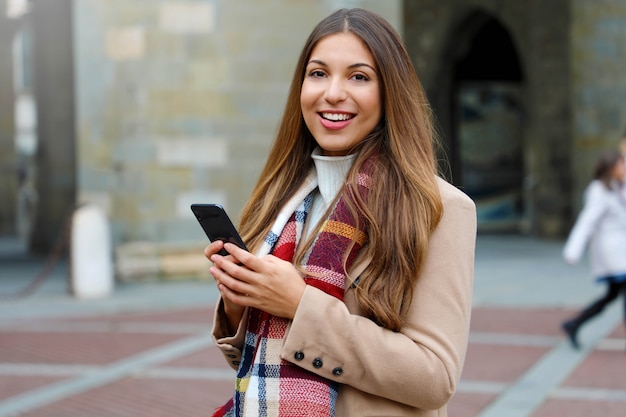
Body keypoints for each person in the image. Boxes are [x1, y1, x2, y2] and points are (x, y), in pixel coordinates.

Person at [205, 8, 476, 417]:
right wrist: (241, 303)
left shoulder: (439, 208)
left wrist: (299, 304)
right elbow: (263, 364)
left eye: (358, 76)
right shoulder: (282, 201)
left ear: (390, 92)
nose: (332, 92)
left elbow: (435, 378)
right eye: (318, 73)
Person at [562, 149, 626, 350]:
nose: (624, 168)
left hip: (620, 250)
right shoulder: (598, 190)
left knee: (611, 295)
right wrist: (573, 250)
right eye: (621, 164)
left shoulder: (617, 187)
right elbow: (586, 222)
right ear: (610, 167)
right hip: (612, 254)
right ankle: (573, 324)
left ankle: (574, 324)